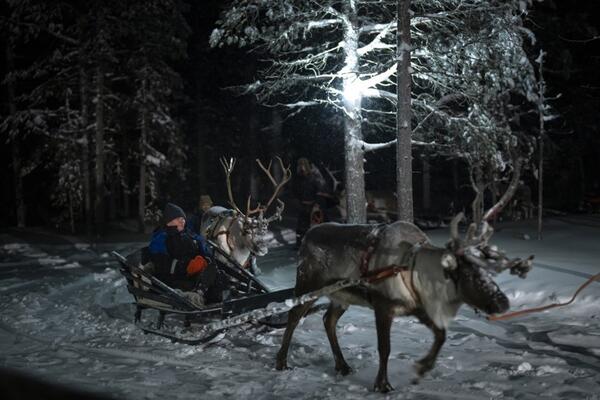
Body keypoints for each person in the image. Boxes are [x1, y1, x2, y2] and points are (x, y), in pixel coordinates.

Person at [148, 202, 216, 305]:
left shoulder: (187, 235)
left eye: (183, 219)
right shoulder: (161, 238)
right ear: (168, 221)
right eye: (178, 219)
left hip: (193, 275)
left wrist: (205, 259)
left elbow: (203, 248)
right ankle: (198, 295)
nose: (182, 221)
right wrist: (187, 266)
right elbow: (160, 264)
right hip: (174, 280)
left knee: (215, 270)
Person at [292, 158, 335, 246]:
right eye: (300, 165)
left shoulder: (314, 177)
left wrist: (317, 204)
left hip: (315, 205)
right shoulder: (299, 179)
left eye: (303, 164)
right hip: (304, 205)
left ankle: (325, 242)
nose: (302, 167)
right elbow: (296, 192)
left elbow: (321, 191)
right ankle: (300, 244)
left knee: (321, 225)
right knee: (301, 226)